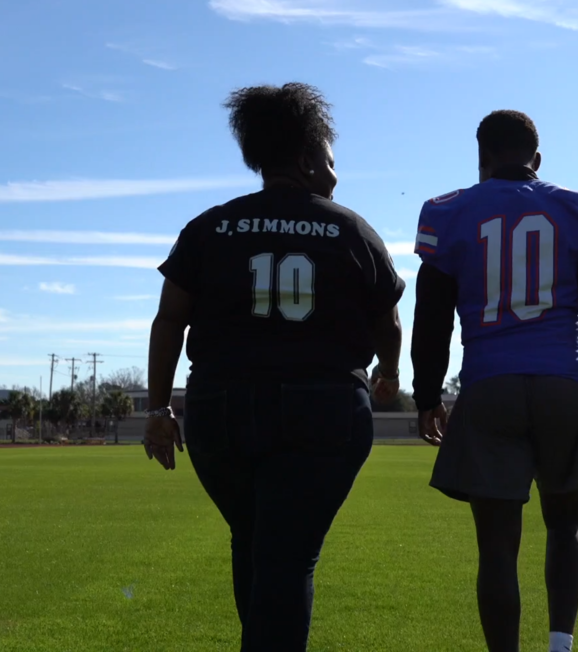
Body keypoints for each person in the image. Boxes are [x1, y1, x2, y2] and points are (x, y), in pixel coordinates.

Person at [142, 82, 405, 652]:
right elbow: (388, 320)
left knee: (254, 542)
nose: (335, 174)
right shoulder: (350, 229)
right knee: (288, 558)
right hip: (323, 409)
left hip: (220, 408)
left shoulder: (209, 227)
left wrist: (159, 407)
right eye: (331, 161)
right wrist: (390, 371)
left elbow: (169, 322)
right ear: (309, 158)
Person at [410, 110, 578, 652]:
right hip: (562, 383)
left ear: (481, 158)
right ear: (536, 160)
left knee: (497, 549)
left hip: (490, 386)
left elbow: (432, 319)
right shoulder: (573, 208)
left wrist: (427, 395)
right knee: (566, 527)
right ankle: (560, 645)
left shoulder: (449, 213)